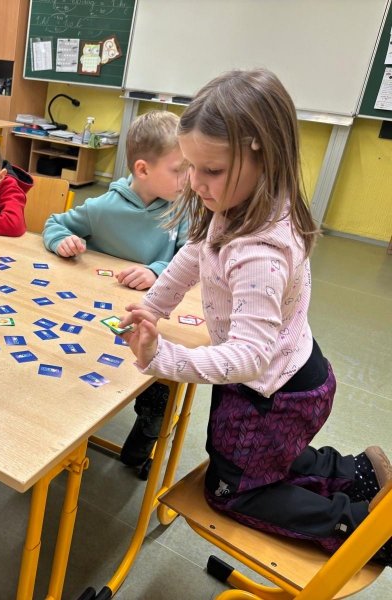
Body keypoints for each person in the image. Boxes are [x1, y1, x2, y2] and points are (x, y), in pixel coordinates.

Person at [118, 68, 392, 563]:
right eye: (189, 167)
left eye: (211, 170)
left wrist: (163, 358)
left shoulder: (259, 252)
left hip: (275, 394)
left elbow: (247, 357)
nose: (195, 183)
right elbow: (193, 254)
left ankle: (359, 527)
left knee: (232, 491)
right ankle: (357, 474)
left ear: (264, 155)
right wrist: (154, 307)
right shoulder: (241, 202)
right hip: (288, 377)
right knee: (261, 457)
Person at [42, 110, 188, 470]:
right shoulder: (102, 208)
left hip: (151, 318)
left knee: (160, 377)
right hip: (94, 316)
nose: (190, 178)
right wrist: (63, 241)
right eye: (180, 169)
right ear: (142, 169)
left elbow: (194, 258)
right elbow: (55, 224)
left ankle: (143, 438)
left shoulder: (184, 210)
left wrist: (157, 271)